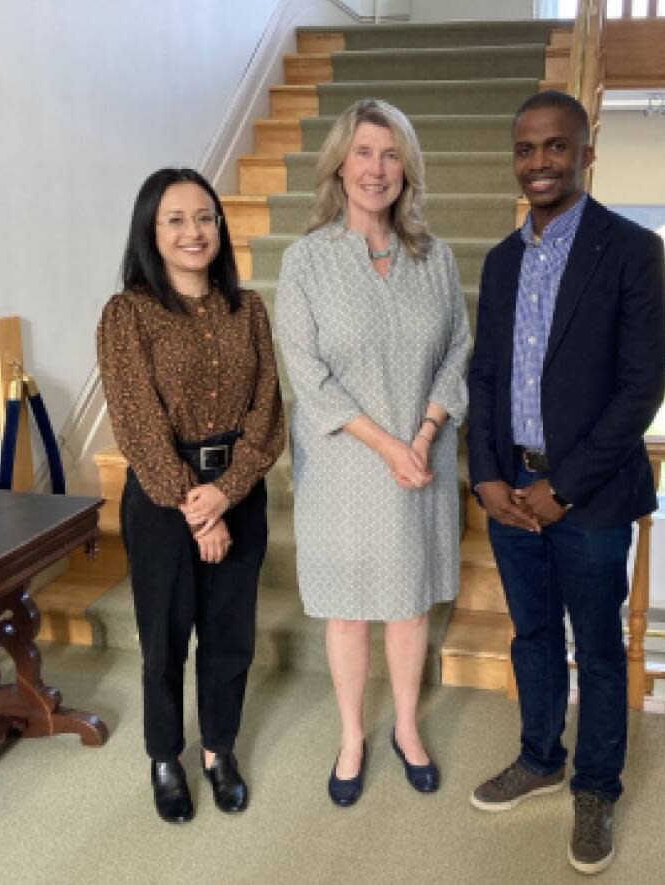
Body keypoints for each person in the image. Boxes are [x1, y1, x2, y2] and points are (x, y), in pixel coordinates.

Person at [466, 91, 665, 875]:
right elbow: (486, 375)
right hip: (511, 486)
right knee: (533, 634)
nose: (540, 162)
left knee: (599, 646)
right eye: (526, 149)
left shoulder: (629, 249)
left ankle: (596, 787)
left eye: (556, 147)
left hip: (590, 496)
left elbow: (640, 387)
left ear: (586, 152)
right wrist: (485, 473)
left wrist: (567, 487)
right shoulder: (501, 259)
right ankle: (540, 755)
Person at [274, 99, 470, 807]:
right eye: (363, 152)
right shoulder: (306, 261)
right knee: (350, 610)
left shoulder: (435, 257)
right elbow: (308, 375)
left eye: (391, 155)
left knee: (410, 605)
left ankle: (407, 728)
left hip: (420, 461)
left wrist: (420, 436)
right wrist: (388, 443)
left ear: (407, 169)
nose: (376, 169)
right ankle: (354, 733)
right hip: (344, 466)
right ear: (339, 163)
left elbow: (457, 349)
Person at [96, 168, 285, 824]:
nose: (193, 231)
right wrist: (193, 503)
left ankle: (220, 751)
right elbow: (135, 419)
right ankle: (164, 755)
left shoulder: (249, 307)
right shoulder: (128, 314)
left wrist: (226, 493)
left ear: (220, 225)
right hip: (160, 498)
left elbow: (268, 410)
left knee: (230, 633)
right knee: (165, 635)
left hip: (241, 489)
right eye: (175, 219)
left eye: (204, 216)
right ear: (151, 230)